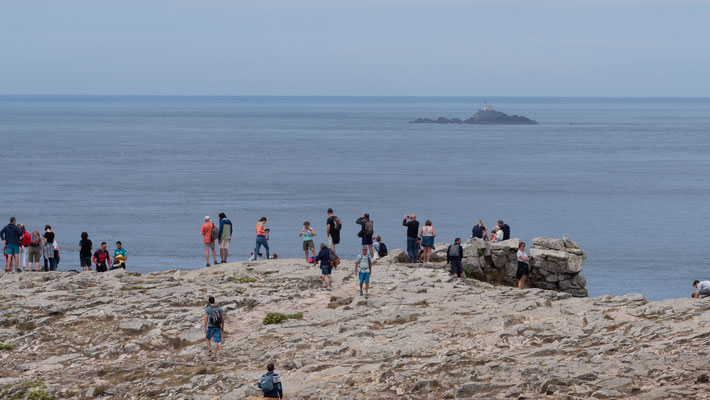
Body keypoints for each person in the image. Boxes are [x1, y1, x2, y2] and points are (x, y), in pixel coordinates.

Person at [204, 296, 224, 361]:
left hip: (210, 326)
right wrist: (222, 327)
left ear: (209, 302)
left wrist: (205, 327)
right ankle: (214, 356)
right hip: (218, 326)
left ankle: (210, 350)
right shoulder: (220, 308)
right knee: (216, 341)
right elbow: (222, 318)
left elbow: (205, 318)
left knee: (207, 338)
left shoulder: (208, 309)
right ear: (214, 301)